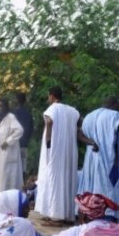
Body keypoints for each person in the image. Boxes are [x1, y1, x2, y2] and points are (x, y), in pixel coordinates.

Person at [78, 97, 119, 218]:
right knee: (108, 190)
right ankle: (108, 217)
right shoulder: (114, 116)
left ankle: (88, 214)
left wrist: (91, 142)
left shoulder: (89, 116)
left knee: (91, 188)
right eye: (118, 105)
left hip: (91, 159)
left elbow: (79, 134)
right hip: (108, 161)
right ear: (113, 105)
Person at [35, 87, 81, 227]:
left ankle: (56, 216)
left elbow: (49, 122)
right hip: (69, 150)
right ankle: (65, 215)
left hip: (55, 150)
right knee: (66, 180)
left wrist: (49, 139)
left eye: (48, 96)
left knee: (54, 179)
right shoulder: (72, 110)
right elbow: (80, 123)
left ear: (52, 96)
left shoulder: (52, 108)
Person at [0, 98, 25, 193]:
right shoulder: (0, 118)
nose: (0, 108)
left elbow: (20, 130)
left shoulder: (11, 117)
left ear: (6, 107)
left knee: (9, 179)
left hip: (9, 154)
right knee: (1, 179)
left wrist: (8, 141)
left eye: (2, 106)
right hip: (2, 155)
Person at [13, 92, 34, 174]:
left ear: (16, 100)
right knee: (23, 168)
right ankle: (23, 185)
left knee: (15, 170)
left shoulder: (14, 113)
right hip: (24, 145)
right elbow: (31, 128)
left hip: (15, 144)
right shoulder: (28, 114)